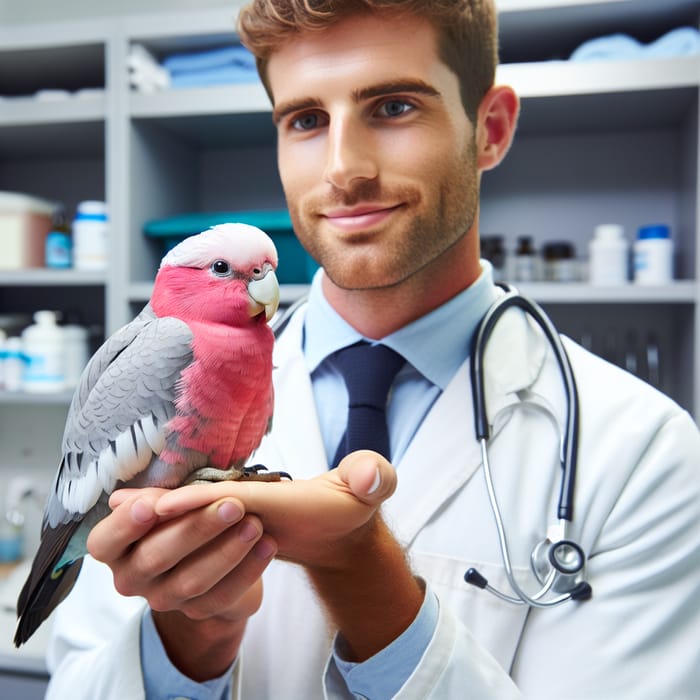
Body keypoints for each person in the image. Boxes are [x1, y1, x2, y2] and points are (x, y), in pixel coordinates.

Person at [45, 1, 700, 698]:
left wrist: (361, 575)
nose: (344, 169)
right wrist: (189, 640)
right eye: (304, 120)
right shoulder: (157, 375)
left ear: (491, 129)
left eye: (392, 107)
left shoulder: (641, 450)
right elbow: (77, 682)